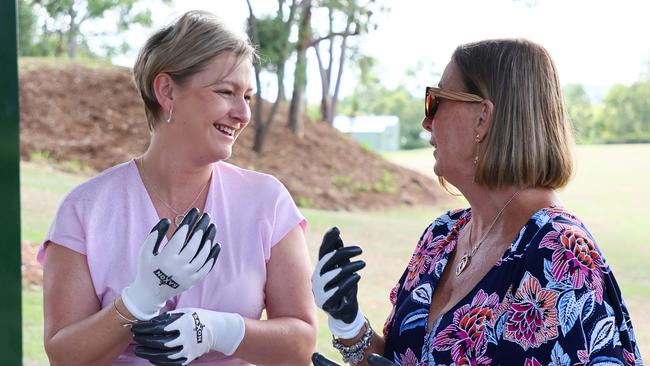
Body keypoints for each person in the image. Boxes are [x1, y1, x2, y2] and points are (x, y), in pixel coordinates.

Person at [311, 38, 643, 365]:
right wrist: (349, 323)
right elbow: (404, 358)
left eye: (436, 100)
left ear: (483, 116)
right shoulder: (441, 237)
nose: (427, 121)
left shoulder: (559, 254)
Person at [40, 10, 317, 366]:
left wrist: (216, 330)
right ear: (167, 91)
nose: (243, 114)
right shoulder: (85, 210)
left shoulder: (268, 202)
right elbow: (64, 357)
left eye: (246, 96)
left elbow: (301, 345)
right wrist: (140, 300)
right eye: (226, 92)